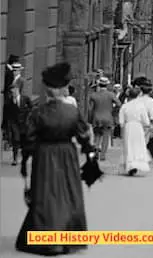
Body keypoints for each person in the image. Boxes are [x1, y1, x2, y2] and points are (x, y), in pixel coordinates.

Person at [16, 62, 96, 256]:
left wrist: (26, 161)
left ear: (48, 90)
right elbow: (83, 135)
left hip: (44, 155)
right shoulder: (72, 112)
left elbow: (28, 139)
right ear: (63, 89)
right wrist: (89, 155)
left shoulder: (38, 112)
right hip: (67, 154)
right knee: (68, 193)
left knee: (44, 193)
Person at [118, 77, 153, 176]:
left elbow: (121, 121)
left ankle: (129, 164)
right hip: (138, 127)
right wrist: (147, 126)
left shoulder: (124, 106)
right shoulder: (141, 106)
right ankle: (138, 163)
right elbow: (146, 121)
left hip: (128, 127)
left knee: (128, 146)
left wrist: (122, 128)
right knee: (138, 146)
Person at [87, 77, 122, 161]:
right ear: (107, 85)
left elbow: (90, 109)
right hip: (107, 117)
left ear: (98, 84)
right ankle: (102, 155)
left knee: (97, 136)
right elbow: (119, 104)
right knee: (106, 137)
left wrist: (90, 119)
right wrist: (112, 110)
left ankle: (95, 149)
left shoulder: (93, 95)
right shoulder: (111, 94)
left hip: (96, 117)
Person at [4, 82, 32, 166]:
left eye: (14, 90)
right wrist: (4, 125)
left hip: (24, 123)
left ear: (17, 90)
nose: (13, 92)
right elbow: (6, 113)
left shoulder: (25, 98)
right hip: (14, 123)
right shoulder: (9, 101)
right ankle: (15, 159)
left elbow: (32, 108)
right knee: (15, 140)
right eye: (11, 91)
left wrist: (28, 114)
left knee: (23, 141)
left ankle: (24, 158)